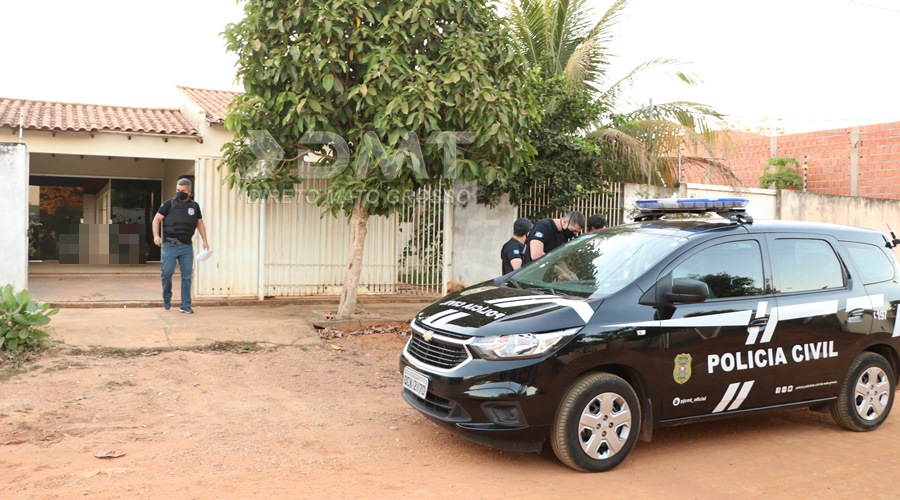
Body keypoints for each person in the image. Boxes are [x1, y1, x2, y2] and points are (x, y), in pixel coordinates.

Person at [152, 178, 209, 314]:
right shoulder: (169, 204)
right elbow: (156, 219)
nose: (180, 193)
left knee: (187, 276)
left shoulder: (194, 206)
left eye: (183, 191)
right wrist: (156, 236)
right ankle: (167, 297)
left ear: (189, 191)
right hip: (170, 245)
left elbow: (199, 223)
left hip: (186, 246)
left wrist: (205, 240)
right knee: (167, 273)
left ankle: (185, 305)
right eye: (178, 190)